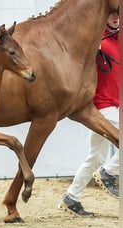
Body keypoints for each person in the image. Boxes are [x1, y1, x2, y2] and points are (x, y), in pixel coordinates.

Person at [58, 12, 119, 216]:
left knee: (96, 156)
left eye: (118, 14)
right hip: (102, 107)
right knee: (102, 157)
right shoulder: (95, 41)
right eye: (112, 14)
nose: (116, 18)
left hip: (114, 106)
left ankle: (71, 198)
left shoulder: (117, 40)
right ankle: (109, 173)